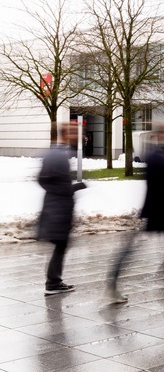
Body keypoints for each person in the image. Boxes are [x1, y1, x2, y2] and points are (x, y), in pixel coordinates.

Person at [106, 124, 164, 303]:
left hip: (155, 208)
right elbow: (158, 187)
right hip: (156, 209)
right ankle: (112, 283)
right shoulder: (157, 157)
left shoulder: (155, 155)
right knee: (138, 247)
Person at [37, 122, 86, 296]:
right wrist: (74, 188)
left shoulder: (58, 154)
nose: (77, 135)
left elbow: (46, 181)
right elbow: (45, 181)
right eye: (73, 132)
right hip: (58, 209)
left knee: (61, 246)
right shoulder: (57, 156)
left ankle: (54, 281)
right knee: (60, 245)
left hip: (57, 208)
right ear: (65, 135)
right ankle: (53, 283)